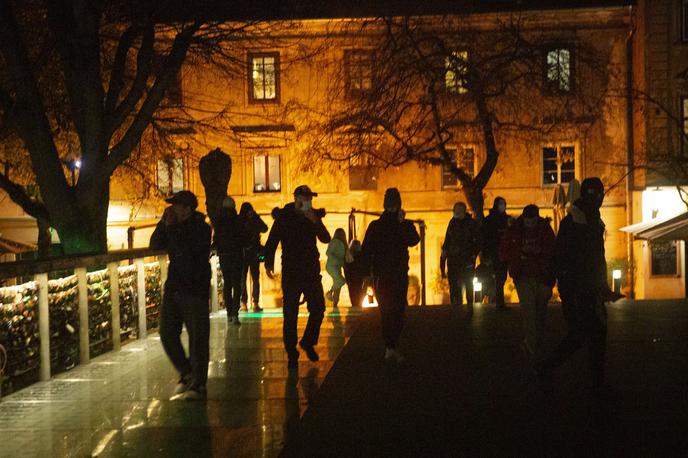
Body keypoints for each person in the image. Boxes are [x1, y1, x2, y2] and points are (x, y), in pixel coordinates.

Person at [539, 177, 623, 394]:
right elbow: (559, 255)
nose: (599, 198)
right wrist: (551, 283)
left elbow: (597, 258)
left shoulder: (594, 220)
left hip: (588, 288)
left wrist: (603, 288)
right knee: (585, 333)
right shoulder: (573, 222)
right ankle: (551, 368)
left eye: (600, 193)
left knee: (589, 333)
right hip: (576, 288)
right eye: (596, 194)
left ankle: (589, 379)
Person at [149, 190, 211, 400]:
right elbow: (155, 244)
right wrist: (162, 223)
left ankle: (198, 383)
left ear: (187, 208)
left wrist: (172, 227)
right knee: (167, 333)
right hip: (174, 287)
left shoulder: (201, 228)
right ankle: (186, 372)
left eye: (176, 205)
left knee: (198, 338)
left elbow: (185, 248)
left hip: (194, 288)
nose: (172, 208)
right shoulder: (172, 226)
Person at [265, 185, 331, 368]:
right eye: (306, 198)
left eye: (310, 198)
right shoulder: (284, 217)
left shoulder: (313, 215)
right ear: (297, 198)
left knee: (318, 308)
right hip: (292, 272)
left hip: (310, 270)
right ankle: (291, 350)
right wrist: (268, 262)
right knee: (290, 313)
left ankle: (308, 342)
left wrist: (315, 221)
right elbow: (272, 241)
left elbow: (326, 238)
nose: (309, 201)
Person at [361, 188, 420, 363]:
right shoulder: (378, 226)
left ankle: (391, 346)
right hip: (386, 274)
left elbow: (414, 240)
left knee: (395, 310)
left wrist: (403, 223)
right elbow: (367, 251)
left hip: (395, 273)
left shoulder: (399, 224)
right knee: (390, 311)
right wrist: (367, 274)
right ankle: (390, 346)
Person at [499, 204, 555, 363]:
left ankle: (536, 342)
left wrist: (539, 252)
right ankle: (532, 346)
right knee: (529, 310)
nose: (530, 225)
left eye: (533, 222)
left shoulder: (544, 229)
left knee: (540, 311)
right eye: (528, 222)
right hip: (522, 275)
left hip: (541, 276)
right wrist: (520, 252)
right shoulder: (515, 230)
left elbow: (553, 250)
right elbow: (504, 252)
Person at [440, 202, 482, 308]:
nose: (456, 212)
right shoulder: (452, 223)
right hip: (453, 259)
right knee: (454, 284)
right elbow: (447, 240)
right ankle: (455, 304)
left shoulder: (471, 224)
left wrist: (473, 255)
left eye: (459, 210)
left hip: (467, 259)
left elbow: (478, 242)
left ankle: (469, 305)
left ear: (464, 211)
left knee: (468, 282)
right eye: (455, 210)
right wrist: (443, 259)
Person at [214, 196, 244, 326]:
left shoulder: (219, 221)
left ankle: (229, 313)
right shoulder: (238, 220)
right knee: (236, 284)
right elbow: (243, 236)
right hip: (237, 255)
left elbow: (216, 238)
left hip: (224, 255)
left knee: (227, 284)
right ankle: (235, 313)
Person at [482, 196, 512, 310]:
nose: (502, 206)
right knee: (498, 277)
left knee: (502, 277)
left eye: (504, 204)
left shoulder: (507, 219)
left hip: (505, 252)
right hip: (495, 252)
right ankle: (498, 302)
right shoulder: (489, 220)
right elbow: (486, 237)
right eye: (500, 204)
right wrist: (486, 253)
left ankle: (499, 301)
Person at [239, 202, 268, 312]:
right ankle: (254, 303)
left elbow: (264, 228)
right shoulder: (253, 219)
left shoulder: (239, 220)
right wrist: (255, 218)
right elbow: (264, 228)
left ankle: (244, 304)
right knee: (254, 278)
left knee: (243, 279)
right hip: (253, 252)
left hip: (243, 253)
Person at [325, 228, 347, 308]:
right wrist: (338, 259)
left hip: (335, 266)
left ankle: (335, 302)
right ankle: (329, 293)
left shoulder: (336, 242)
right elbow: (329, 253)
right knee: (341, 281)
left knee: (338, 283)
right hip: (333, 266)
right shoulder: (336, 242)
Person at [344, 240, 365, 308]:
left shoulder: (349, 256)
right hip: (359, 277)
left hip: (351, 278)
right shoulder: (361, 255)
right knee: (359, 292)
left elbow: (346, 268)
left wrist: (347, 278)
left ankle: (354, 305)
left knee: (352, 293)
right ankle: (359, 305)